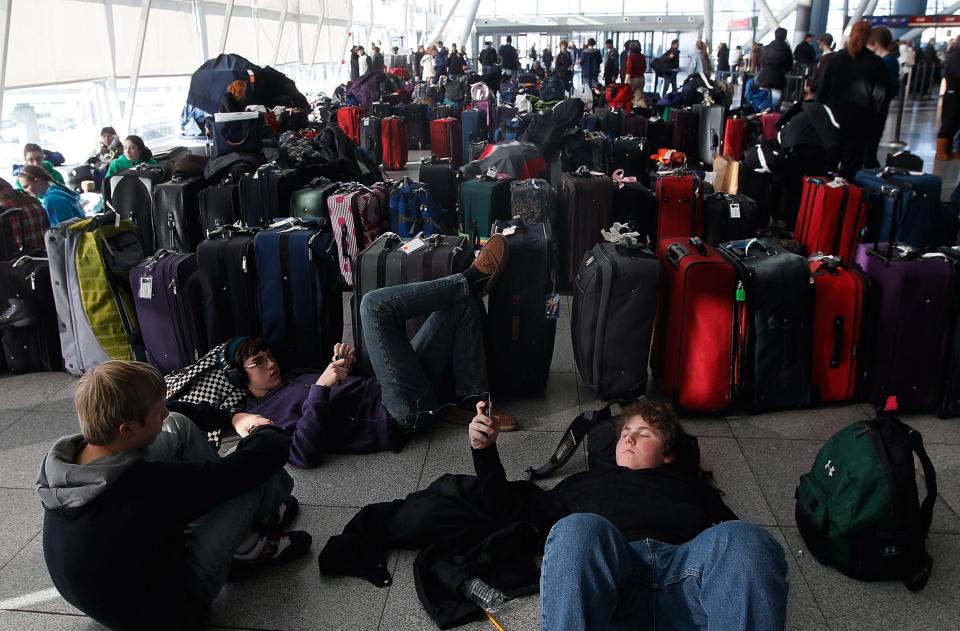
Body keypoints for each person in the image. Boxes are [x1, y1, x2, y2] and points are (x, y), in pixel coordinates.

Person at [462, 398, 788, 630]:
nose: (630, 436)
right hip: (615, 586)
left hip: (688, 585)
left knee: (747, 539)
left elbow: (741, 559)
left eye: (645, 433)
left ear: (669, 454)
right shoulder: (583, 483)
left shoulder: (691, 487)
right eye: (624, 433)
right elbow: (507, 511)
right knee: (577, 529)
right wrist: (485, 451)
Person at [37, 360, 310, 631]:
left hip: (111, 591)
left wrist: (232, 417)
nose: (165, 412)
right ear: (127, 429)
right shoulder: (146, 486)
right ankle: (247, 548)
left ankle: (245, 535)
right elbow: (245, 469)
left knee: (177, 426)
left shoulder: (70, 456)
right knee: (247, 485)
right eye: (158, 411)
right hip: (171, 611)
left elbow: (173, 413)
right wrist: (264, 429)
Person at [817, 20, 888, 177]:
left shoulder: (835, 60)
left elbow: (822, 92)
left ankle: (825, 196)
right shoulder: (877, 64)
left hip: (833, 120)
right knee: (850, 168)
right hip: (860, 124)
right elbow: (880, 99)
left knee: (828, 164)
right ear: (869, 38)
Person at [865, 26, 900, 168]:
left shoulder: (888, 61)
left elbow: (888, 88)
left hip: (876, 111)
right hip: (876, 110)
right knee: (868, 150)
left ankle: (873, 177)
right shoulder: (887, 60)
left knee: (869, 151)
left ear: (875, 42)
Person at [17, 165, 85, 225]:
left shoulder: (52, 200)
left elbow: (65, 233)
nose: (26, 191)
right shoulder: (59, 191)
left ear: (37, 180)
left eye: (26, 186)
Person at [757, 27, 794, 107]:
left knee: (762, 101)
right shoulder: (787, 50)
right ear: (785, 36)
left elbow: (762, 61)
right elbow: (789, 66)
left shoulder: (767, 48)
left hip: (763, 78)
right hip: (778, 80)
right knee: (775, 104)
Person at [937, 36, 960, 159]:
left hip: (956, 93)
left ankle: (949, 150)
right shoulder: (955, 56)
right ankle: (941, 151)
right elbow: (957, 73)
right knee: (949, 122)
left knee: (955, 123)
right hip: (953, 92)